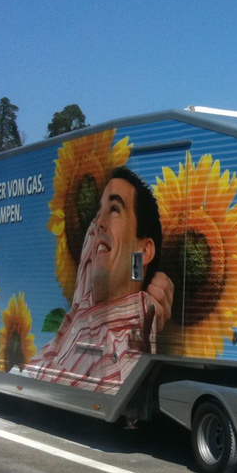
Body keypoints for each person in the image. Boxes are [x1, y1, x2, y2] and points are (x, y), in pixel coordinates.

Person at [30, 167, 174, 393]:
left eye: (115, 209)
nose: (98, 224)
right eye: (98, 214)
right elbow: (99, 239)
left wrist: (142, 309)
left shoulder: (118, 352)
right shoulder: (92, 277)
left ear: (144, 251)